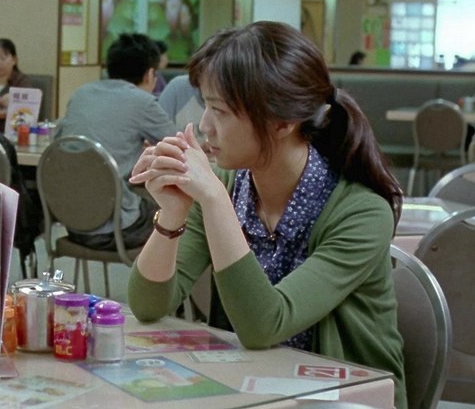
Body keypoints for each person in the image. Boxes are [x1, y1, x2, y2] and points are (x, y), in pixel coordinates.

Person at [127, 21, 407, 409]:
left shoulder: (361, 212)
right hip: (249, 390)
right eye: (205, 105)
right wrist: (173, 214)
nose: (204, 126)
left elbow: (264, 324)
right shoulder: (227, 185)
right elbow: (147, 305)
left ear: (283, 122)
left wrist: (215, 200)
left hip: (345, 400)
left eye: (219, 110)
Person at [56, 33, 176, 250]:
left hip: (72, 223)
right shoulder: (142, 102)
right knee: (180, 215)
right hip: (115, 229)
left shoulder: (81, 94)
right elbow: (178, 147)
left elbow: (59, 143)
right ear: (150, 74)